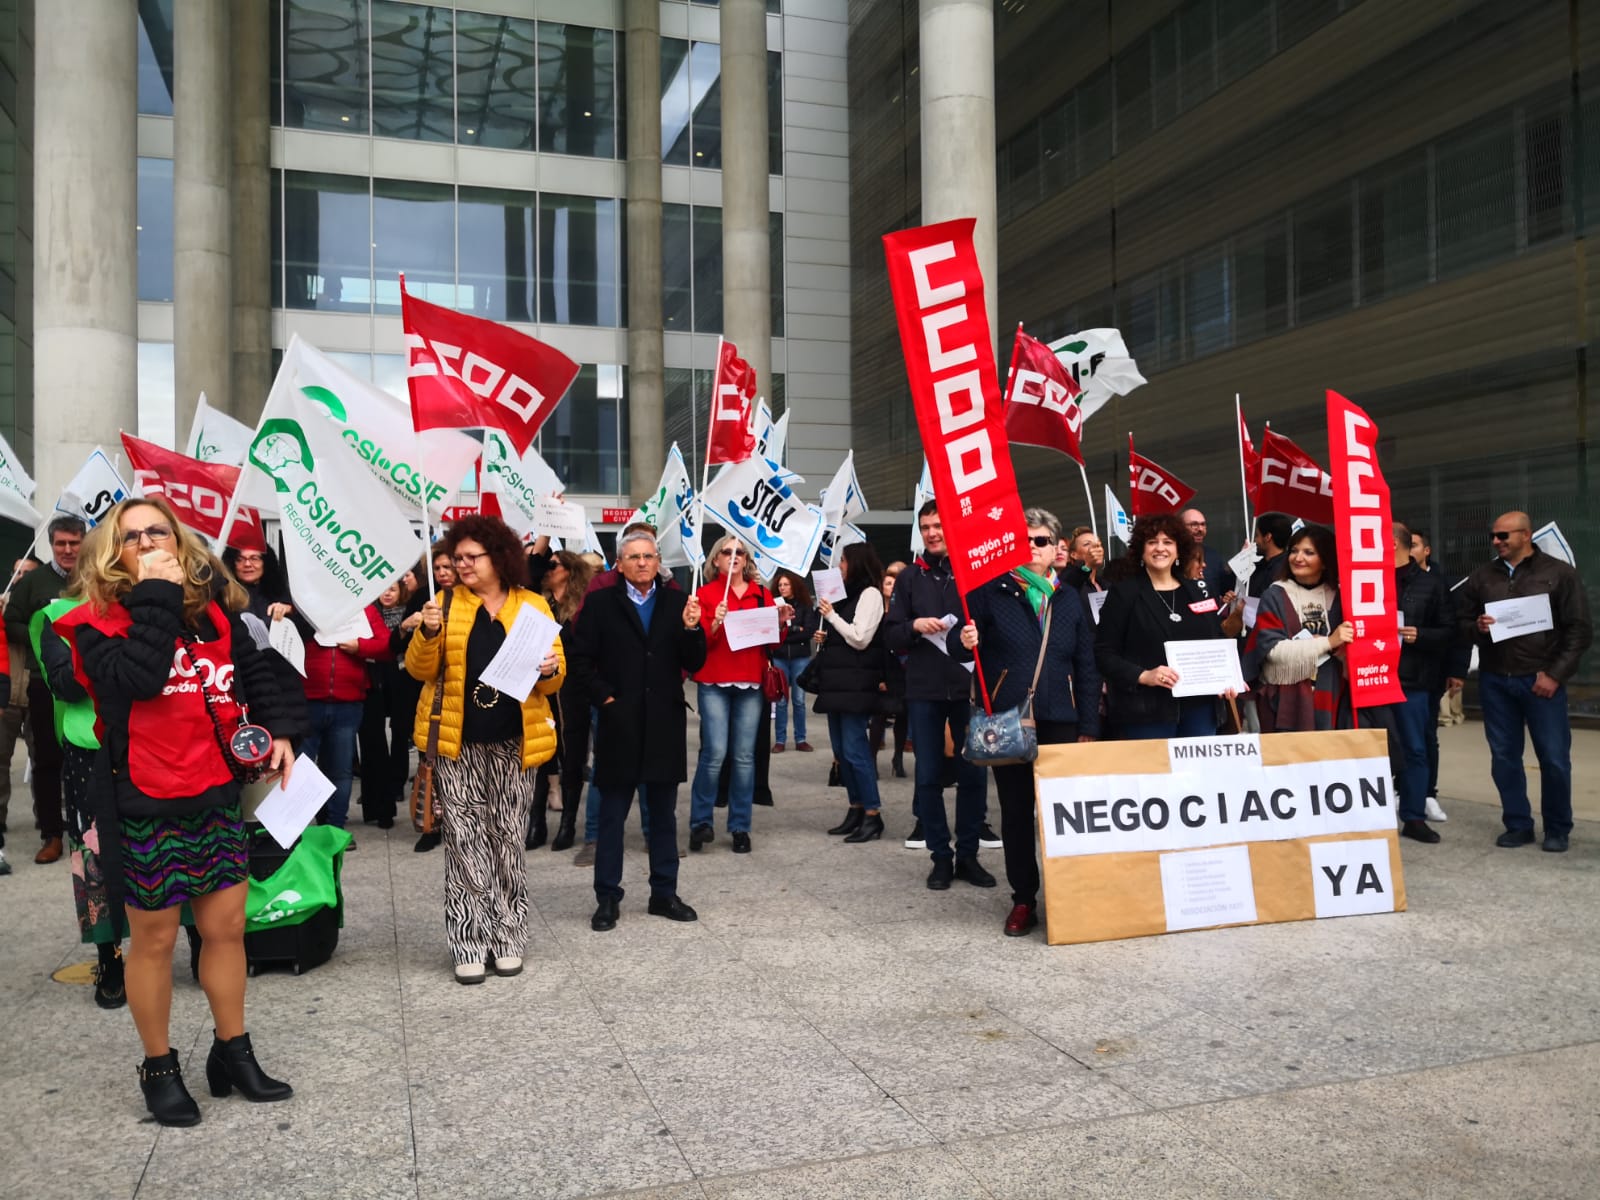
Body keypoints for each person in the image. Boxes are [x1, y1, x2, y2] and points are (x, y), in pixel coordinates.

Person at [56, 496, 299, 1126]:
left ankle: (232, 1052)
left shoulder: (213, 614)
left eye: (156, 531)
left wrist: (277, 728)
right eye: (130, 536)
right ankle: (158, 1067)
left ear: (180, 542)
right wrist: (157, 597)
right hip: (144, 801)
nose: (145, 542)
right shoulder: (91, 625)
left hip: (213, 794)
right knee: (156, 941)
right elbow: (139, 676)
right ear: (113, 554)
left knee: (227, 931)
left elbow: (258, 672)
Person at [408, 516, 564, 983]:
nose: (461, 565)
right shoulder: (443, 604)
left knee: (508, 841)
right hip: (457, 745)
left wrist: (549, 667)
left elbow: (555, 679)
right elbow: (420, 671)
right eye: (457, 558)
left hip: (516, 744)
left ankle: (508, 937)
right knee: (464, 844)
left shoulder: (533, 604)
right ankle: (468, 941)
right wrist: (428, 633)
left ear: (498, 558)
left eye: (471, 557)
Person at [957, 508, 1101, 937]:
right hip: (1008, 719)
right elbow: (958, 642)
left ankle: (1067, 896)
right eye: (1023, 541)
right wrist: (964, 639)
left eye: (1039, 541)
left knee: (1062, 814)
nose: (1031, 549)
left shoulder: (1068, 597)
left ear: (1055, 547)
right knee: (1017, 815)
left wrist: (1088, 724)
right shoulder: (989, 590)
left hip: (1061, 717)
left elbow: (1087, 664)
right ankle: (1024, 899)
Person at [565, 530, 706, 932]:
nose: (643, 563)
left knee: (662, 815)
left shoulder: (679, 603)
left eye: (649, 556)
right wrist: (605, 699)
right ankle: (607, 897)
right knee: (611, 817)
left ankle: (664, 893)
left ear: (659, 561)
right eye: (634, 557)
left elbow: (694, 662)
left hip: (663, 722)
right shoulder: (599, 603)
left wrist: (694, 629)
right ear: (620, 564)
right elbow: (579, 659)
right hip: (618, 723)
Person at [1457, 511, 1593, 852]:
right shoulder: (1483, 575)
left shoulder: (1559, 574)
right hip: (1496, 679)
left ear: (1525, 535)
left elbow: (1579, 630)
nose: (1496, 542)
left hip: (1540, 680)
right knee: (1504, 757)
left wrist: (1555, 674)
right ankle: (1517, 824)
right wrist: (1478, 627)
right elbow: (1459, 619)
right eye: (1494, 536)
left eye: (1503, 536)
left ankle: (1558, 828)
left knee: (1554, 758)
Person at [884, 501, 997, 890]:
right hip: (925, 689)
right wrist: (913, 625)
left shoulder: (974, 575)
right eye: (926, 526)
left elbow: (995, 628)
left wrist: (975, 635)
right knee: (928, 777)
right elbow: (891, 633)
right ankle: (940, 857)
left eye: (939, 526)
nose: (933, 533)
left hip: (968, 691)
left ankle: (968, 855)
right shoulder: (910, 578)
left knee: (973, 776)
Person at [35, 563, 124, 1003]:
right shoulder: (58, 618)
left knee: (169, 844)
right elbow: (64, 685)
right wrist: (103, 643)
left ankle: (195, 940)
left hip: (144, 747)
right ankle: (110, 957)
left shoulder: (143, 611)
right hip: (89, 751)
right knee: (95, 856)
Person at [1095, 513, 1241, 739]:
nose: (1160, 548)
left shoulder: (1196, 590)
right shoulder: (1124, 594)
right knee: (1154, 773)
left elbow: (1216, 640)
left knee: (1198, 773)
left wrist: (1227, 679)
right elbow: (1103, 653)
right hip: (1147, 712)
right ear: (1141, 550)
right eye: (1152, 542)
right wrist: (1143, 675)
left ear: (1178, 549)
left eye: (1168, 542)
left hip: (1201, 710)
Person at [688, 536, 777, 855]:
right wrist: (714, 623)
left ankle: (740, 826)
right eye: (727, 552)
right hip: (714, 679)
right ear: (716, 560)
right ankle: (700, 822)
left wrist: (780, 621)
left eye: (740, 552)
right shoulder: (704, 594)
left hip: (751, 679)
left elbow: (772, 644)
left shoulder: (762, 593)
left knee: (743, 757)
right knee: (714, 753)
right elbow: (697, 644)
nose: (734, 556)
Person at [5, 515, 84, 864]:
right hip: (43, 682)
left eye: (74, 543)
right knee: (47, 761)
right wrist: (42, 638)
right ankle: (52, 834)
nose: (67, 550)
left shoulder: (95, 577)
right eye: (60, 543)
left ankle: (88, 832)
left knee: (89, 758)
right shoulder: (34, 581)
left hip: (88, 685)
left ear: (84, 543)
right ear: (51, 544)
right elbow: (12, 622)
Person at [292, 592, 391, 842]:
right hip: (306, 701)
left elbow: (387, 645)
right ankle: (296, 829)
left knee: (339, 770)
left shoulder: (363, 608)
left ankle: (335, 829)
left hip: (348, 703)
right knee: (300, 769)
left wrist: (360, 647)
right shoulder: (307, 605)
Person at [1243, 524, 1355, 732]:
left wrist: (1335, 644)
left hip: (1330, 694)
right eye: (1294, 551)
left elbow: (1350, 650)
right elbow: (1273, 652)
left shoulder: (1341, 597)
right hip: (1284, 698)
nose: (1298, 558)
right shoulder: (1274, 595)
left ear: (1325, 559)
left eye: (1309, 552)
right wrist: (1328, 642)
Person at [814, 543, 890, 843]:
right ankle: (856, 807)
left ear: (857, 562)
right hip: (838, 683)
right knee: (842, 752)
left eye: (844, 560)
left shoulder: (870, 594)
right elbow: (845, 632)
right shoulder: (845, 596)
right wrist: (826, 632)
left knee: (856, 751)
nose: (840, 566)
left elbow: (860, 638)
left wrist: (832, 617)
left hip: (856, 686)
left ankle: (872, 813)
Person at [1388, 521, 1454, 844]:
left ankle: (1413, 817)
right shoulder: (1369, 582)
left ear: (1394, 543)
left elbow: (1448, 631)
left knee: (1415, 749)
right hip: (1372, 677)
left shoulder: (1432, 584)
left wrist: (1421, 635)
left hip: (1413, 680)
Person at [537, 549, 595, 851]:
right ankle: (537, 822)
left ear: (569, 570)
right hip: (540, 685)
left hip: (574, 687)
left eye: (553, 565)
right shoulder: (538, 602)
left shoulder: (583, 605)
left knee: (572, 753)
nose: (548, 569)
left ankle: (568, 823)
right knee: (542, 749)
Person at [1409, 529, 1466, 816]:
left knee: (1427, 734)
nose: (1408, 550)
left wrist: (1457, 670)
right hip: (1396, 673)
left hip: (1431, 672)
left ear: (1427, 550)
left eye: (1414, 545)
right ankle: (1401, 789)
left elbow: (1457, 632)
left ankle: (1428, 792)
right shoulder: (1388, 582)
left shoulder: (1446, 585)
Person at [357, 579, 413, 830]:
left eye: (392, 589)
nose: (387, 594)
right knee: (372, 738)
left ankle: (396, 784)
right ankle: (374, 799)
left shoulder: (407, 612)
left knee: (401, 732)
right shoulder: (369, 612)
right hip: (374, 678)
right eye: (383, 590)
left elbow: (396, 646)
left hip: (401, 677)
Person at [397, 554, 444, 852]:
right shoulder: (425, 600)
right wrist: (423, 630)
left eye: (447, 567)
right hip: (428, 693)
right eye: (437, 568)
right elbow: (414, 659)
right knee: (430, 762)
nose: (443, 572)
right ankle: (431, 824)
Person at [770, 569, 819, 753]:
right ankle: (780, 740)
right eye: (780, 584)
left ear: (794, 585)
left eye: (786, 584)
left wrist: (787, 632)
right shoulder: (774, 605)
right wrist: (794, 631)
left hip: (800, 657)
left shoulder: (805, 604)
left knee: (799, 700)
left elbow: (809, 631)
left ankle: (801, 739)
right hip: (780, 657)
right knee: (781, 700)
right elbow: (773, 631)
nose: (782, 587)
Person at [868, 562, 909, 778]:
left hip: (901, 670)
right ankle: (872, 759)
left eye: (895, 583)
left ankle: (898, 758)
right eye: (888, 583)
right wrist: (878, 677)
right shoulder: (875, 614)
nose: (891, 587)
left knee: (903, 717)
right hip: (882, 670)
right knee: (879, 717)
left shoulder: (904, 613)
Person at [1181, 508, 1237, 601]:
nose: (1200, 529)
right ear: (1181, 527)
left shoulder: (1213, 556)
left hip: (1210, 613)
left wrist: (1241, 560)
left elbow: (1225, 588)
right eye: (1194, 524)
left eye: (1203, 524)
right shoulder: (1172, 557)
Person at [1247, 513, 1293, 599]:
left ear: (1268, 537)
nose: (1255, 541)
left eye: (1257, 535)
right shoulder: (1258, 566)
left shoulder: (1285, 570)